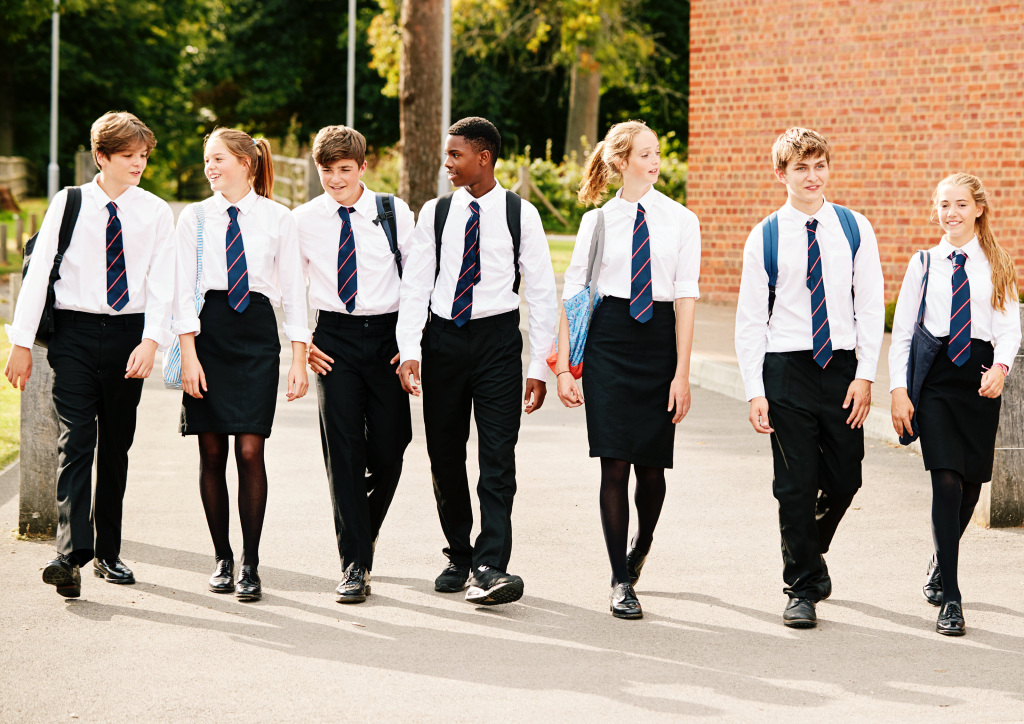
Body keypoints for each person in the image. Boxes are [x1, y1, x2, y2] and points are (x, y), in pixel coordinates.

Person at [4, 111, 175, 597]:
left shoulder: (156, 212)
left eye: (143, 155)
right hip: (75, 336)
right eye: (128, 156)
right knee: (77, 440)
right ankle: (70, 555)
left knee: (116, 446)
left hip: (129, 338)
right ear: (101, 157)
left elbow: (163, 283)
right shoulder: (70, 202)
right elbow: (38, 275)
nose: (138, 164)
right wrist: (21, 343)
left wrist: (151, 341)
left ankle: (109, 552)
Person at [395, 117, 557, 605]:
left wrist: (539, 367)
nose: (447, 163)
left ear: (483, 157)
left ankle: (491, 564)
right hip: (444, 340)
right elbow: (416, 284)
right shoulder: (436, 212)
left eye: (455, 155)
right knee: (444, 455)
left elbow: (544, 292)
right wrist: (410, 349)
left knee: (496, 457)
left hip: (497, 344)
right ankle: (459, 554)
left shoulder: (520, 213)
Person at [734, 127, 885, 628]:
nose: (812, 175)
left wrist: (865, 376)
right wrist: (755, 390)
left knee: (846, 476)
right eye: (801, 168)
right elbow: (751, 320)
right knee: (794, 485)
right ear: (782, 174)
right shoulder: (766, 235)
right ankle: (800, 587)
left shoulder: (854, 228)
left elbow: (868, 306)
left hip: (841, 368)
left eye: (819, 165)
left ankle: (808, 548)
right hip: (787, 369)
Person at [555, 121, 699, 620]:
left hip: (659, 340)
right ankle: (620, 578)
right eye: (645, 154)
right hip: (609, 341)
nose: (656, 161)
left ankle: (643, 542)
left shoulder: (682, 220)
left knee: (652, 466)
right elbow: (575, 293)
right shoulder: (596, 222)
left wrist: (682, 373)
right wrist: (565, 369)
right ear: (620, 162)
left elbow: (685, 298)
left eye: (657, 152)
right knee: (614, 461)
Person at [173, 128, 310, 603]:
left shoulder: (279, 218)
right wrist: (188, 354)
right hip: (207, 335)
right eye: (207, 159)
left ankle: (251, 563)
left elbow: (294, 292)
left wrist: (299, 358)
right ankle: (222, 560)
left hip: (255, 334)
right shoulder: (195, 218)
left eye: (218, 159)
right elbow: (181, 290)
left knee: (251, 451)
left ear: (246, 164)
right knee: (211, 453)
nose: (210, 167)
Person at [889, 173, 1020, 636]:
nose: (952, 213)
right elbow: (903, 332)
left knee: (969, 487)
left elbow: (1008, 329)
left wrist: (1001, 369)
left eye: (961, 204)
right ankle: (953, 597)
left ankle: (940, 561)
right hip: (938, 382)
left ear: (978, 208)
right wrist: (898, 390)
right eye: (944, 205)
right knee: (944, 479)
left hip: (980, 379)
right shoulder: (924, 263)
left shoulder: (999, 263)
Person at [296, 125, 415, 603]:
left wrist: (410, 346)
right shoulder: (303, 220)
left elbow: (417, 280)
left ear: (363, 167)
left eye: (345, 169)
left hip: (387, 335)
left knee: (391, 447)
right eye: (327, 171)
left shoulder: (392, 211)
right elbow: (286, 287)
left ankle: (362, 532)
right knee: (342, 453)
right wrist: (302, 344)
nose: (336, 179)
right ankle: (354, 563)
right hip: (333, 340)